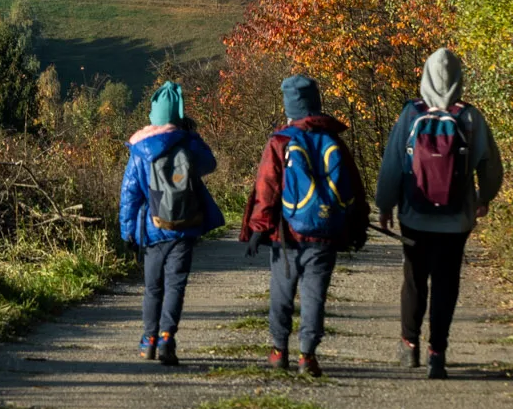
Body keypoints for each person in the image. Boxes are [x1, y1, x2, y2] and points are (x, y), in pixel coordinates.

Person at [377, 47, 505, 379]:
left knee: (414, 280)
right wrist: (483, 197)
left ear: (425, 76)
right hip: (457, 218)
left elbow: (392, 165)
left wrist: (385, 205)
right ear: (459, 79)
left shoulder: (410, 114)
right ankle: (438, 352)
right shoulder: (471, 117)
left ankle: (409, 346)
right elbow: (490, 165)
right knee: (447, 282)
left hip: (414, 216)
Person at [241, 75, 368, 377]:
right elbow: (355, 189)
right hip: (325, 234)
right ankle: (307, 356)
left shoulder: (280, 141)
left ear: (289, 107)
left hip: (287, 237)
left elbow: (267, 188)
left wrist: (258, 228)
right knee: (314, 296)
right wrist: (357, 227)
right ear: (316, 104)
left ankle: (278, 350)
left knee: (282, 293)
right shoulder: (334, 140)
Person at [118, 81, 223, 366]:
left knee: (153, 288)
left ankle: (148, 340)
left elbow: (129, 194)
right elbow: (209, 164)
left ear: (152, 114)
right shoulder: (188, 144)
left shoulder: (139, 149)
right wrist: (191, 135)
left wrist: (128, 232)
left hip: (152, 231)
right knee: (175, 286)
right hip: (185, 227)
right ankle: (167, 338)